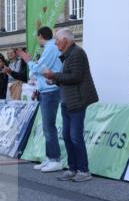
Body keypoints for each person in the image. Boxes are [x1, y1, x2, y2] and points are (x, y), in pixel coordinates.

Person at [42, 29, 98, 183]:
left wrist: (54, 75)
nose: (56, 43)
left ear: (65, 40)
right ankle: (72, 168)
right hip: (68, 101)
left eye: (57, 41)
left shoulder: (77, 53)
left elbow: (75, 76)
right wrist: (55, 80)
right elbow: (69, 77)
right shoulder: (69, 54)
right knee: (67, 136)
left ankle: (84, 170)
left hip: (77, 101)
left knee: (75, 137)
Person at [18, 26, 64, 173]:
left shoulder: (51, 48)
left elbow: (38, 69)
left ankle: (55, 159)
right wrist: (34, 66)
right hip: (46, 90)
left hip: (51, 91)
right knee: (47, 126)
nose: (37, 40)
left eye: (38, 37)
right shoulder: (50, 48)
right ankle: (51, 157)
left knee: (49, 126)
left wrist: (29, 61)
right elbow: (37, 70)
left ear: (40, 36)